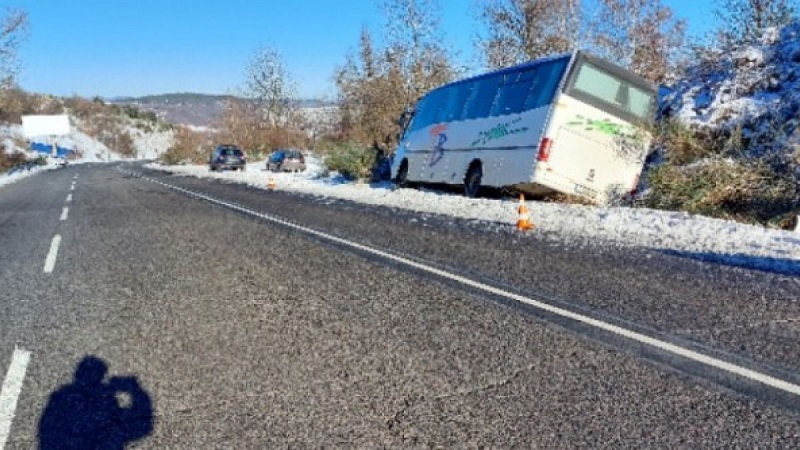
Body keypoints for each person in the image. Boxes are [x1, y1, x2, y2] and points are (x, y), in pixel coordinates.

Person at [39, 356, 153, 449]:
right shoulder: (104, 406)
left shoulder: (61, 397)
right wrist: (135, 390)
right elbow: (140, 425)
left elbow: (46, 428)